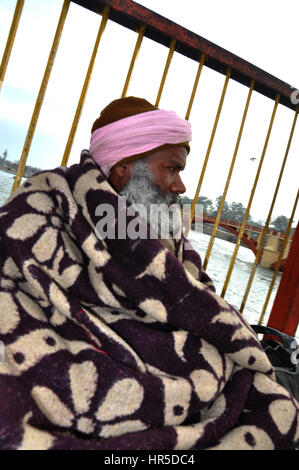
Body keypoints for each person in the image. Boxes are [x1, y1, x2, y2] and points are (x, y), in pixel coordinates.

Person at [0, 97, 298, 451]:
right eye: (172, 168)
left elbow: (204, 301)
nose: (181, 187)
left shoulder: (167, 227)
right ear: (125, 166)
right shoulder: (42, 204)